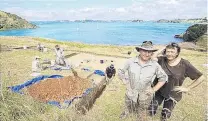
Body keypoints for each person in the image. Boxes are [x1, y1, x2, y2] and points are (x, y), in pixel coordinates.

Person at [148, 42, 204, 121]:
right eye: (168, 51)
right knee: (151, 110)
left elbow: (201, 77)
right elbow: (152, 58)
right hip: (159, 90)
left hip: (173, 94)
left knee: (165, 116)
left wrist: (188, 88)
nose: (169, 54)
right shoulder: (162, 60)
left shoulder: (184, 64)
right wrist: (162, 49)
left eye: (172, 52)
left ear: (177, 53)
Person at [118, 41, 168, 120]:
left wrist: (153, 90)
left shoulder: (155, 65)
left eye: (149, 52)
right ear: (140, 50)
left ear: (152, 53)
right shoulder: (130, 61)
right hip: (131, 92)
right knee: (128, 105)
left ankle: (140, 117)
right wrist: (125, 81)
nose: (147, 54)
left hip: (145, 94)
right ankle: (126, 112)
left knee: (142, 109)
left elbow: (164, 78)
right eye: (145, 51)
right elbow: (120, 71)